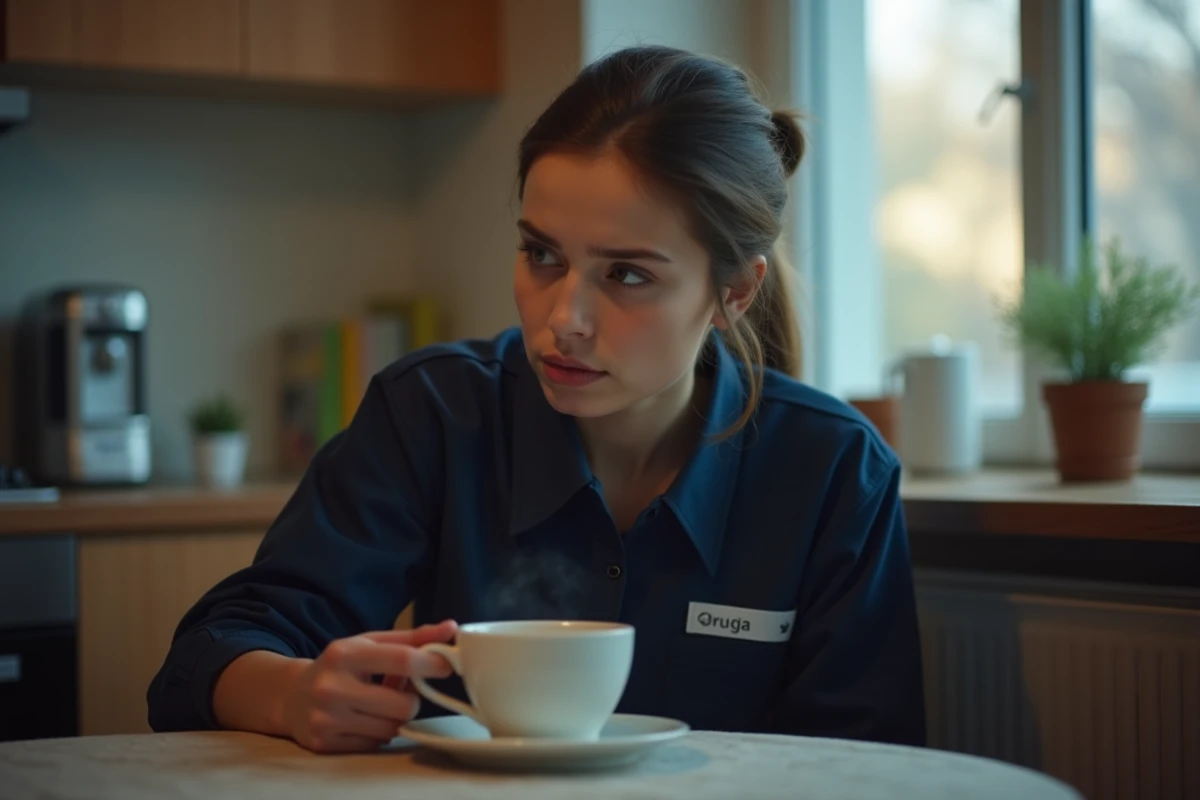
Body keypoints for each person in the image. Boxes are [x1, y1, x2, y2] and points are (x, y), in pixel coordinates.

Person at [147, 45, 926, 753]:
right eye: (541, 255)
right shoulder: (434, 414)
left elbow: (870, 760)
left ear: (735, 290)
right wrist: (292, 692)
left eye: (627, 274)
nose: (564, 321)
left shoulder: (833, 469)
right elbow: (212, 651)